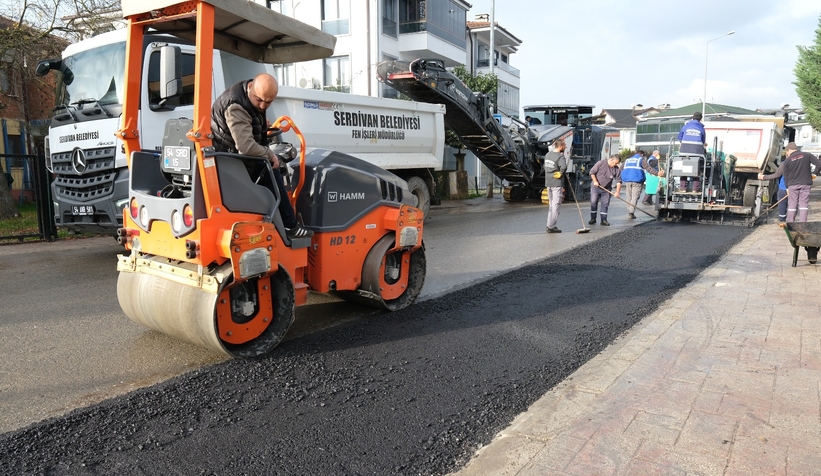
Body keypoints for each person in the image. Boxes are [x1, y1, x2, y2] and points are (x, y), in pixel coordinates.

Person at [211, 73, 313, 239]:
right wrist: (270, 154)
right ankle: (290, 225)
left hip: (231, 159)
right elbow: (245, 146)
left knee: (270, 166)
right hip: (231, 163)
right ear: (251, 87)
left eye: (268, 102)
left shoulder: (247, 95)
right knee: (272, 170)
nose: (263, 105)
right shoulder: (236, 106)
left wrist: (261, 124)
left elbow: (244, 123)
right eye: (259, 100)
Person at [758, 142, 821, 223]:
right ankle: (803, 223)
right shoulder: (807, 155)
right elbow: (819, 164)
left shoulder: (787, 161)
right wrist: (814, 174)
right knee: (803, 205)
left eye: (786, 152)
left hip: (792, 185)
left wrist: (787, 187)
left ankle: (790, 223)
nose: (786, 154)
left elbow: (786, 176)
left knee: (792, 205)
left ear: (789, 150)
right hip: (805, 183)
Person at [621, 149, 663, 218]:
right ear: (642, 155)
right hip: (637, 181)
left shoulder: (627, 160)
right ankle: (631, 212)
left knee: (629, 197)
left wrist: (619, 180)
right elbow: (648, 168)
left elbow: (620, 169)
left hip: (627, 180)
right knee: (635, 197)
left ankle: (629, 211)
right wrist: (657, 173)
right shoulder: (641, 159)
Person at [588, 155, 622, 226]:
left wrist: (617, 192)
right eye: (615, 163)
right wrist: (595, 181)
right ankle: (593, 218)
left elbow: (619, 181)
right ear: (611, 159)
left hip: (606, 189)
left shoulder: (616, 169)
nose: (615, 165)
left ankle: (603, 220)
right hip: (596, 187)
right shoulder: (601, 163)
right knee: (593, 202)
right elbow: (592, 173)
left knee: (605, 204)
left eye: (617, 163)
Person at [677, 112, 707, 192]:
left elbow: (679, 138)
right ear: (700, 119)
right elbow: (703, 141)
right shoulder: (701, 128)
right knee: (697, 168)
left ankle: (683, 188)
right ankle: (695, 189)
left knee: (683, 168)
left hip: (684, 151)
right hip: (697, 152)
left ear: (692, 118)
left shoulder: (685, 126)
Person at [543, 138, 568, 233]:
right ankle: (551, 226)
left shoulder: (547, 155)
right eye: (564, 145)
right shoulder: (560, 157)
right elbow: (563, 167)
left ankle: (549, 224)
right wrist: (561, 173)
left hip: (548, 182)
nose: (565, 147)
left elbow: (545, 166)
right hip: (556, 183)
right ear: (560, 146)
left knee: (551, 205)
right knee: (556, 205)